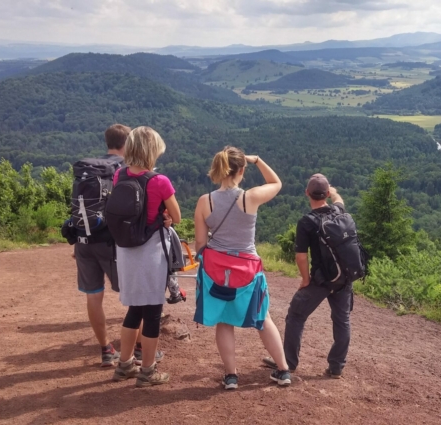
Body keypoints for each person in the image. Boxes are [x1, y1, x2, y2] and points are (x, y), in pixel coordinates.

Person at [193, 146, 291, 390]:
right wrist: (257, 159)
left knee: (224, 321)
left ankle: (231, 376)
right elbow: (276, 183)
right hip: (248, 269)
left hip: (216, 271)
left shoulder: (205, 202)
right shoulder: (251, 197)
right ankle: (283, 370)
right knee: (263, 318)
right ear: (242, 170)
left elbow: (201, 243)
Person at [110, 126, 180, 387]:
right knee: (152, 312)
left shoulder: (120, 176)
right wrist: (167, 217)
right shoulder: (160, 181)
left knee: (134, 309)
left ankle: (124, 364)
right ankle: (148, 371)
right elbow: (178, 216)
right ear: (153, 151)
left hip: (126, 251)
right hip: (150, 252)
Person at [264, 174, 352, 378]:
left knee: (296, 315)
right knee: (342, 320)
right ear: (327, 194)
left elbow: (301, 257)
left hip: (321, 279)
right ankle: (336, 367)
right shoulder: (338, 211)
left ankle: (288, 362)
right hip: (344, 276)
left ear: (307, 193)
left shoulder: (307, 221)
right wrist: (334, 191)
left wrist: (305, 280)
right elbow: (339, 201)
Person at [63, 124, 128, 367]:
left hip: (83, 239)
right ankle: (139, 347)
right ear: (127, 144)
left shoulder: (87, 170)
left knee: (93, 295)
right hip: (109, 242)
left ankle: (106, 349)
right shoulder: (121, 170)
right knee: (133, 295)